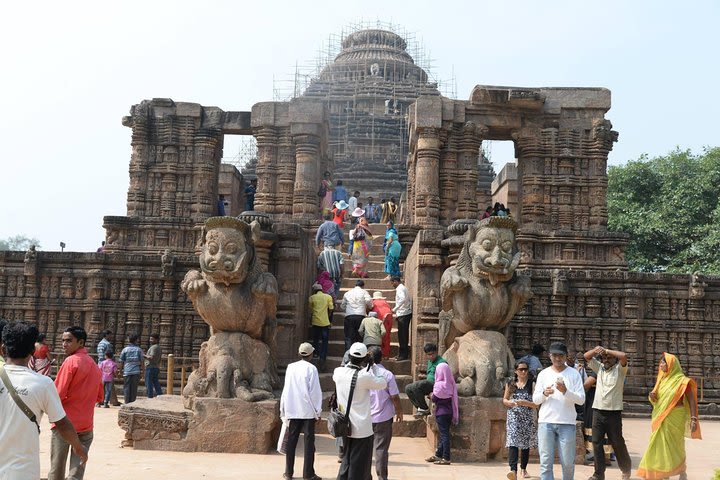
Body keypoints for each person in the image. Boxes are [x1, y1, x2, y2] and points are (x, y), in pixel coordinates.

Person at [0, 321, 88, 480]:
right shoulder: (43, 383)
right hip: (23, 471)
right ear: (33, 351)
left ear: (3, 349)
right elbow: (62, 423)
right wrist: (78, 447)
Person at [49, 325, 103, 480]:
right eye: (63, 341)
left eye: (68, 341)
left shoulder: (71, 362)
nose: (64, 344)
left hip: (65, 424)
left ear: (81, 342)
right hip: (86, 425)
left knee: (57, 470)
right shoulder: (94, 364)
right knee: (76, 473)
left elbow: (58, 394)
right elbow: (100, 396)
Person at [637, 353, 701, 480]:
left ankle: (681, 470)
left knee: (676, 446)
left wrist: (694, 419)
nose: (660, 365)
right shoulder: (661, 380)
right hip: (661, 417)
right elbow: (657, 398)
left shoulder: (683, 381)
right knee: (657, 445)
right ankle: (663, 472)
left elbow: (691, 400)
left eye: (663, 362)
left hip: (676, 417)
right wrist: (652, 396)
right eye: (660, 363)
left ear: (672, 364)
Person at [333, 342, 388, 480]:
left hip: (344, 425)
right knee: (358, 465)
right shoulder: (364, 376)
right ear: (364, 359)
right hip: (361, 428)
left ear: (349, 356)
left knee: (346, 460)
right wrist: (372, 365)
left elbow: (346, 369)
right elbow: (383, 382)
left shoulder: (338, 372)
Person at [532, 341, 585, 480]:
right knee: (545, 463)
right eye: (554, 355)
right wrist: (544, 393)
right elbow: (535, 400)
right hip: (546, 422)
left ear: (566, 356)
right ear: (549, 356)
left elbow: (581, 400)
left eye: (560, 356)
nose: (557, 359)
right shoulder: (543, 374)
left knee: (567, 463)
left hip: (567, 423)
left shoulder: (574, 374)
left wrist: (566, 392)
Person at [581, 345, 632, 480]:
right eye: (604, 358)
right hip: (598, 411)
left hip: (613, 413)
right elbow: (586, 356)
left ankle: (626, 468)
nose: (606, 359)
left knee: (617, 442)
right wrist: (596, 350)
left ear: (614, 359)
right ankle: (599, 474)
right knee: (596, 442)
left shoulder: (620, 370)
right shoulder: (599, 369)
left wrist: (607, 351)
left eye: (609, 358)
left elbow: (624, 356)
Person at [280, 342, 323, 480]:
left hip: (293, 409)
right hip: (308, 411)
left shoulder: (291, 367)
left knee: (292, 441)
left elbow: (286, 389)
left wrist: (284, 409)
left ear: (299, 354)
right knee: (309, 442)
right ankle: (308, 474)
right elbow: (315, 392)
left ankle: (288, 473)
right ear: (310, 354)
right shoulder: (312, 369)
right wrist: (318, 411)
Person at [368, 346, 403, 480]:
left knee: (365, 448)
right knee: (381, 449)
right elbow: (394, 396)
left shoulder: (364, 374)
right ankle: (382, 477)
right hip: (383, 417)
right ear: (381, 358)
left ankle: (366, 475)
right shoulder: (387, 374)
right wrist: (399, 411)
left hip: (366, 417)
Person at [503, 360, 539, 480]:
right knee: (512, 443)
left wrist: (525, 403)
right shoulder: (511, 383)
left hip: (527, 418)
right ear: (516, 371)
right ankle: (513, 470)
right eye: (520, 369)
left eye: (525, 369)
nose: (523, 371)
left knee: (525, 445)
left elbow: (536, 404)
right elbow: (505, 399)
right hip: (513, 418)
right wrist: (510, 403)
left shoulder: (532, 384)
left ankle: (523, 469)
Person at [426, 362, 458, 465]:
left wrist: (431, 395)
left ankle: (446, 458)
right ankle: (438, 454)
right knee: (443, 434)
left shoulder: (439, 385)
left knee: (444, 435)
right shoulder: (450, 383)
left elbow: (435, 398)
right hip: (449, 412)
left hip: (441, 413)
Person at [406, 343, 446, 417]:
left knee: (417, 385)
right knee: (408, 388)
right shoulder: (430, 362)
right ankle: (420, 408)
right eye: (429, 354)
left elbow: (445, 378)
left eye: (433, 354)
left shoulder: (442, 363)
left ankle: (424, 408)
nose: (431, 356)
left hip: (436, 385)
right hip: (428, 384)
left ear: (436, 352)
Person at [340, 280, 372, 350]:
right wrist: (369, 307)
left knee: (349, 337)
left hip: (349, 316)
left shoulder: (347, 293)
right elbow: (368, 301)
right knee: (359, 336)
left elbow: (342, 306)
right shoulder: (364, 292)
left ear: (355, 285)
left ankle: (348, 355)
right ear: (363, 286)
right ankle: (359, 355)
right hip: (361, 316)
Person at [308, 283, 333, 370]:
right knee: (325, 340)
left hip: (315, 321)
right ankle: (323, 356)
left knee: (316, 338)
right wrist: (329, 317)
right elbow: (331, 308)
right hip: (325, 322)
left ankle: (315, 353)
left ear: (314, 290)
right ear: (322, 289)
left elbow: (310, 310)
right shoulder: (328, 297)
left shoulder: (312, 298)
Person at [390, 276, 412, 361]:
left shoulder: (400, 289)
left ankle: (403, 355)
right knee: (402, 335)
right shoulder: (403, 288)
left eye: (392, 283)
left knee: (402, 335)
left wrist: (395, 309)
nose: (392, 285)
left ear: (395, 281)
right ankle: (402, 353)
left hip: (403, 313)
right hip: (404, 313)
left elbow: (402, 299)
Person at [119, 333, 144, 404]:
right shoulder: (139, 350)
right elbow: (142, 362)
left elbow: (121, 361)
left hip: (127, 371)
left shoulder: (125, 350)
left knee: (126, 387)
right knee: (134, 388)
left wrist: (120, 371)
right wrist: (143, 372)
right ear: (136, 340)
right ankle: (132, 403)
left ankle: (126, 402)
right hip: (136, 372)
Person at [370, 291, 393, 359]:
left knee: (380, 337)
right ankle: (386, 355)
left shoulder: (373, 303)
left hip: (381, 319)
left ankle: (379, 355)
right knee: (387, 336)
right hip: (389, 318)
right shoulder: (385, 302)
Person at [144, 333, 163, 398]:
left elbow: (151, 357)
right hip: (155, 367)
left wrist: (143, 355)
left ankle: (150, 396)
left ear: (156, 340)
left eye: (152, 339)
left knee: (148, 383)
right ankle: (160, 395)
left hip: (150, 367)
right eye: (150, 339)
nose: (150, 340)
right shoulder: (158, 347)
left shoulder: (154, 347)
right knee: (155, 382)